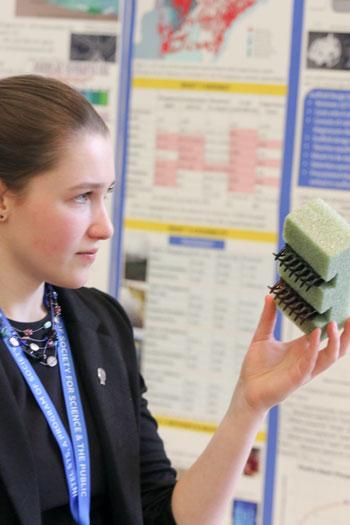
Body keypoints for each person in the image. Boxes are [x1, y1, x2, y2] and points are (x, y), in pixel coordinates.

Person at [0, 74, 349, 525]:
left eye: (105, 195)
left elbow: (162, 513)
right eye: (81, 197)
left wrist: (248, 404)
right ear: (4, 197)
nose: (104, 225)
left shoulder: (100, 322)